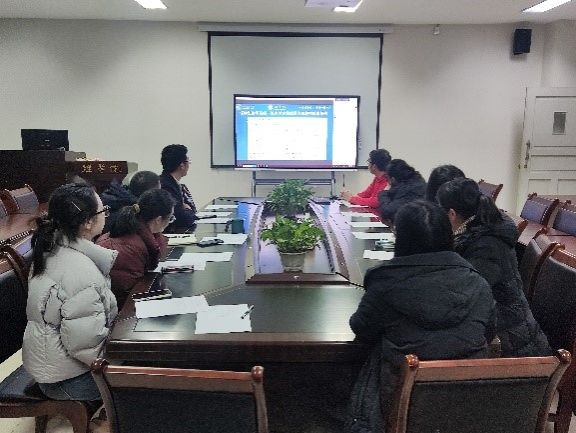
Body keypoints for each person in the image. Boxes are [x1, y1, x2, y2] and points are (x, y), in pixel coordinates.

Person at [347, 200, 495, 433]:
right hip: (468, 403)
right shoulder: (478, 282)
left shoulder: (386, 282)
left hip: (401, 403)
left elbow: (362, 329)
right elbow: (489, 332)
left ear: (401, 239)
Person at [22, 183, 118, 408]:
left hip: (55, 369)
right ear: (88, 222)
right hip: (67, 380)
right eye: (103, 211)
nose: (106, 215)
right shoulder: (79, 271)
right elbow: (86, 348)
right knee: (142, 384)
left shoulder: (53, 248)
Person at [437, 177, 551, 357]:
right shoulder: (483, 228)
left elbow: (466, 297)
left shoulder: (486, 245)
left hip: (511, 346)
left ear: (451, 214)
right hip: (504, 331)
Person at [97, 189, 174, 307]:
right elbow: (128, 298)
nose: (170, 222)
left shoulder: (141, 229)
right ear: (158, 220)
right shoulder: (129, 249)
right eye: (170, 218)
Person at [159, 144, 198, 232]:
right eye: (188, 161)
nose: (189, 165)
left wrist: (186, 209)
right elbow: (183, 218)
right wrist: (187, 209)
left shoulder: (172, 182)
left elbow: (191, 211)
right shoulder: (166, 186)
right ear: (182, 165)